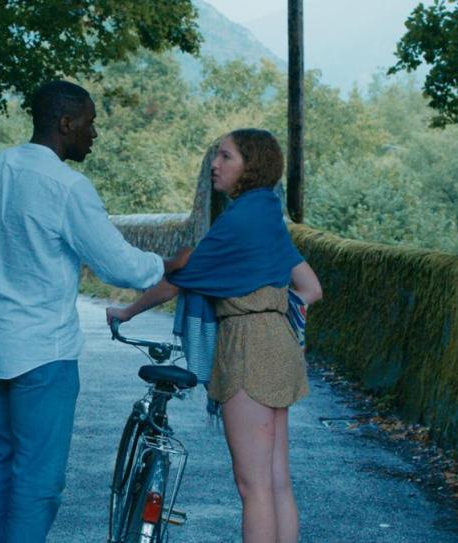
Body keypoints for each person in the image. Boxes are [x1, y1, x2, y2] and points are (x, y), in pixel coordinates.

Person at [0, 80, 191, 543]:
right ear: (65, 123)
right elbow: (116, 264)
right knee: (37, 484)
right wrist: (167, 265)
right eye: (90, 123)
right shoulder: (66, 187)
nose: (94, 134)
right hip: (43, 353)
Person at [106, 129, 322, 543]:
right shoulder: (268, 214)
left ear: (250, 166)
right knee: (277, 482)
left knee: (253, 486)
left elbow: (177, 281)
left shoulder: (237, 221)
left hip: (247, 347)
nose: (214, 164)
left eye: (226, 156)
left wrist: (127, 311)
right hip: (279, 342)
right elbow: (311, 288)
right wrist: (268, 302)